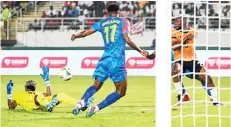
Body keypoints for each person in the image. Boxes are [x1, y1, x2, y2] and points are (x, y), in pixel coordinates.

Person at [71, 3, 148, 118]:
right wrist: (141, 51)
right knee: (121, 92)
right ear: (118, 11)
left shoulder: (102, 23)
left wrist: (76, 35)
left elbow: (85, 33)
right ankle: (95, 108)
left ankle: (81, 102)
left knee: (95, 86)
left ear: (107, 11)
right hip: (116, 60)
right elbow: (127, 39)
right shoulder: (123, 21)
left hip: (104, 59)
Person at [171, 17, 223, 106]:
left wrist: (185, 38)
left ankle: (215, 100)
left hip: (192, 60)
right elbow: (173, 47)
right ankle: (182, 95)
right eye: (174, 22)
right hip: (179, 59)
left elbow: (190, 35)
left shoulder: (193, 31)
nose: (175, 24)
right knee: (175, 71)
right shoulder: (173, 32)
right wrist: (186, 38)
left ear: (184, 22)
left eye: (177, 22)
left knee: (206, 77)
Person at [7, 66, 93, 112]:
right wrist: (9, 94)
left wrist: (47, 81)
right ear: (26, 87)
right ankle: (48, 105)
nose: (31, 83)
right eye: (30, 83)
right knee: (39, 96)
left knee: (61, 95)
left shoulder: (37, 93)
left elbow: (49, 95)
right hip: (33, 106)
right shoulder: (19, 94)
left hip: (42, 105)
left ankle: (80, 104)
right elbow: (11, 107)